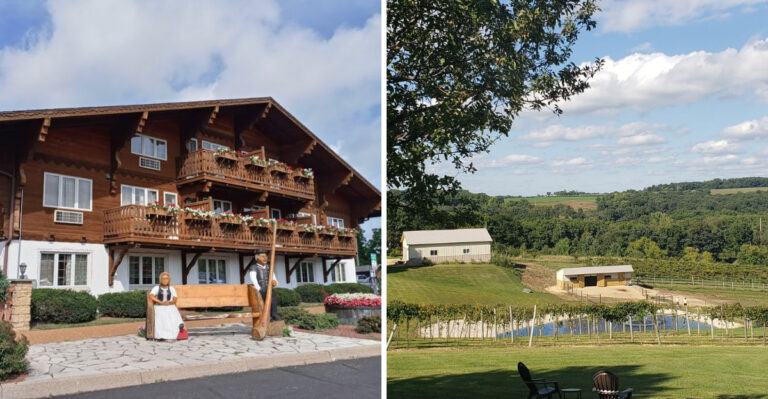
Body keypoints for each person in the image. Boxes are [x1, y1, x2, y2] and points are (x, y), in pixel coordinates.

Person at [149, 272, 184, 340]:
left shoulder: (171, 288)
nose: (165, 280)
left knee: (172, 313)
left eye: (166, 279)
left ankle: (173, 332)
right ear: (160, 280)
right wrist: (160, 302)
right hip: (159, 306)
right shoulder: (156, 288)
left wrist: (169, 303)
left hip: (169, 305)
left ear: (169, 280)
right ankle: (161, 335)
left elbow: (175, 299)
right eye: (163, 279)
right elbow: (151, 296)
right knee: (161, 315)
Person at [248, 251, 280, 321]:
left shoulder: (269, 267)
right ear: (257, 258)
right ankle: (266, 318)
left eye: (266, 256)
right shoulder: (253, 267)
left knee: (273, 303)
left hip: (269, 290)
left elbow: (274, 278)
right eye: (262, 256)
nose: (265, 258)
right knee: (263, 305)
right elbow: (253, 279)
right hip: (260, 290)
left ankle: (275, 317)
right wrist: (259, 289)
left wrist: (275, 282)